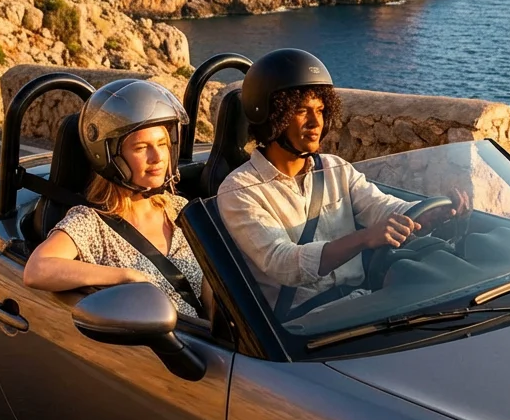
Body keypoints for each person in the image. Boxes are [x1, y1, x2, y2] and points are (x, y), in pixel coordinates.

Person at [217, 48, 465, 320]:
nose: (315, 122)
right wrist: (364, 239)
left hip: (362, 301)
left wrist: (428, 212)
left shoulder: (334, 168)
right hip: (304, 323)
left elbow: (380, 207)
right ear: (271, 116)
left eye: (320, 110)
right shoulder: (238, 190)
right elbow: (283, 263)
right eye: (301, 111)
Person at [24, 78, 208, 318]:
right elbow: (37, 269)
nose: (157, 157)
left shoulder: (179, 210)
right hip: (147, 339)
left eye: (162, 144)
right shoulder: (91, 223)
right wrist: (127, 277)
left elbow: (210, 292)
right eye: (141, 148)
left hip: (198, 338)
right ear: (111, 157)